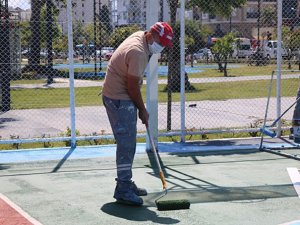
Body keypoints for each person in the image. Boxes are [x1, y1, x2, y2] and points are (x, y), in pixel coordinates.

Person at [101, 22, 173, 206]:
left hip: (119, 94)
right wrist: (142, 109)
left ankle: (126, 182)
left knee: (128, 141)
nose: (162, 47)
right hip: (119, 97)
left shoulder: (141, 37)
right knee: (126, 143)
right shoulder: (139, 52)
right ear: (152, 36)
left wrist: (140, 109)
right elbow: (132, 86)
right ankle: (123, 188)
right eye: (161, 42)